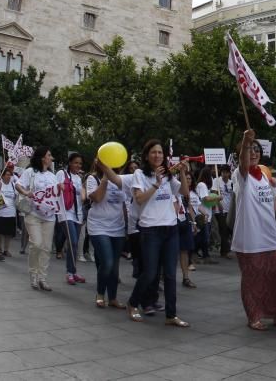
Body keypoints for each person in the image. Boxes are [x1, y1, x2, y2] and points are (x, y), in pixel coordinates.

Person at [231, 129, 276, 330]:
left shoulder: (263, 176)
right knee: (253, 279)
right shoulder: (241, 175)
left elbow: (272, 204)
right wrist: (245, 140)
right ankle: (254, 316)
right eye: (249, 150)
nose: (253, 153)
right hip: (249, 237)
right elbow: (244, 165)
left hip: (269, 235)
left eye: (256, 150)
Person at [127, 139, 191, 326]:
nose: (157, 156)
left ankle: (171, 315)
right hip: (150, 230)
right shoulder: (140, 174)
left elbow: (185, 193)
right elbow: (139, 199)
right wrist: (155, 183)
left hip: (170, 229)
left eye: (161, 153)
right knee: (150, 273)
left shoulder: (169, 175)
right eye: (154, 152)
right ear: (146, 155)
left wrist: (181, 171)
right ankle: (132, 304)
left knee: (171, 275)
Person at [85, 158, 128, 309]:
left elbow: (124, 204)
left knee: (115, 266)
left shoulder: (121, 180)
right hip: (98, 227)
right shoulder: (93, 178)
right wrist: (105, 177)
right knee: (107, 262)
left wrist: (128, 226)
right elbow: (96, 198)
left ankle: (113, 298)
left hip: (118, 227)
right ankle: (100, 294)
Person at [17, 147, 59, 291]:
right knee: (37, 244)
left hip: (49, 216)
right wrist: (26, 192)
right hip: (33, 214)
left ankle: (43, 277)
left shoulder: (53, 176)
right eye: (49, 155)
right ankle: (33, 275)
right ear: (42, 158)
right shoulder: (30, 172)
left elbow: (56, 194)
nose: (51, 157)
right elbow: (18, 185)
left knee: (46, 248)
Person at [57, 152, 87, 285]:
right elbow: (56, 189)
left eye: (80, 163)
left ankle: (73, 271)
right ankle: (69, 272)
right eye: (75, 162)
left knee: (73, 244)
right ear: (70, 163)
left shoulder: (78, 178)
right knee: (73, 241)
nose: (78, 165)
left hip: (78, 214)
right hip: (66, 213)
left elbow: (82, 195)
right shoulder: (61, 174)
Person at [0, 164, 18, 257]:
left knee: (8, 233)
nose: (9, 176)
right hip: (1, 211)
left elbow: (16, 196)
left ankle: (6, 249)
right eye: (7, 174)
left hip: (11, 212)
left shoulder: (13, 185)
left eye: (10, 175)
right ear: (3, 175)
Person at [194, 171, 216, 264]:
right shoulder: (202, 185)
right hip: (203, 215)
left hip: (206, 214)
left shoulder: (204, 186)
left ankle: (204, 254)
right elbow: (205, 198)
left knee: (203, 237)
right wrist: (218, 197)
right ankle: (195, 253)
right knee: (203, 237)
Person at [214, 165, 234, 259]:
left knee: (229, 229)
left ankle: (226, 249)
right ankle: (225, 251)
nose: (224, 174)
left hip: (230, 210)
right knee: (224, 229)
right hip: (220, 210)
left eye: (226, 172)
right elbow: (213, 193)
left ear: (229, 173)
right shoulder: (217, 181)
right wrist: (219, 204)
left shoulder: (231, 183)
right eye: (222, 172)